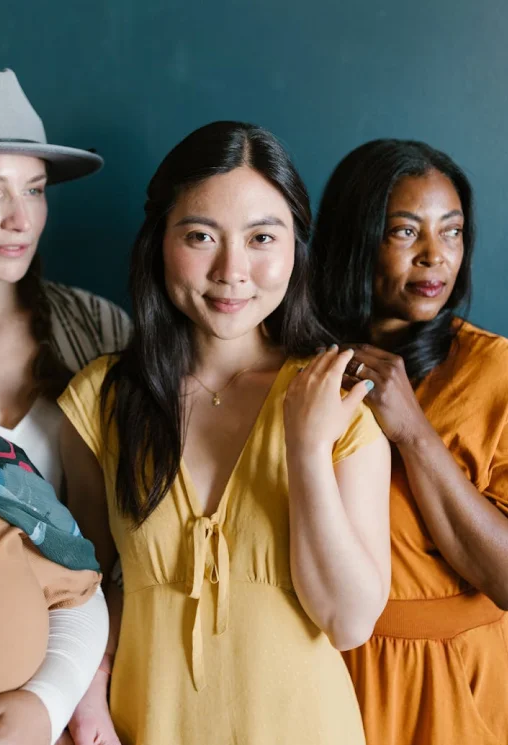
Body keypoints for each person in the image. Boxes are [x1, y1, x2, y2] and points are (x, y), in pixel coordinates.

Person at [59, 121, 391, 745]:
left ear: (296, 245)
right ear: (160, 242)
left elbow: (347, 622)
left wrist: (306, 446)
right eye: (201, 236)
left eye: (263, 237)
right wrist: (86, 699)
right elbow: (80, 585)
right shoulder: (102, 399)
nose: (232, 270)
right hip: (144, 725)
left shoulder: (339, 401)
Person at [0, 66, 130, 745]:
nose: (21, 219)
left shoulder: (101, 333)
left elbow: (132, 543)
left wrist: (73, 693)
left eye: (34, 190)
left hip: (74, 700)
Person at [311, 138, 508, 745]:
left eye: (451, 233)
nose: (435, 257)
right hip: (323, 670)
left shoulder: (495, 372)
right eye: (405, 232)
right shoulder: (298, 368)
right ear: (354, 238)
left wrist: (412, 430)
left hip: (456, 681)